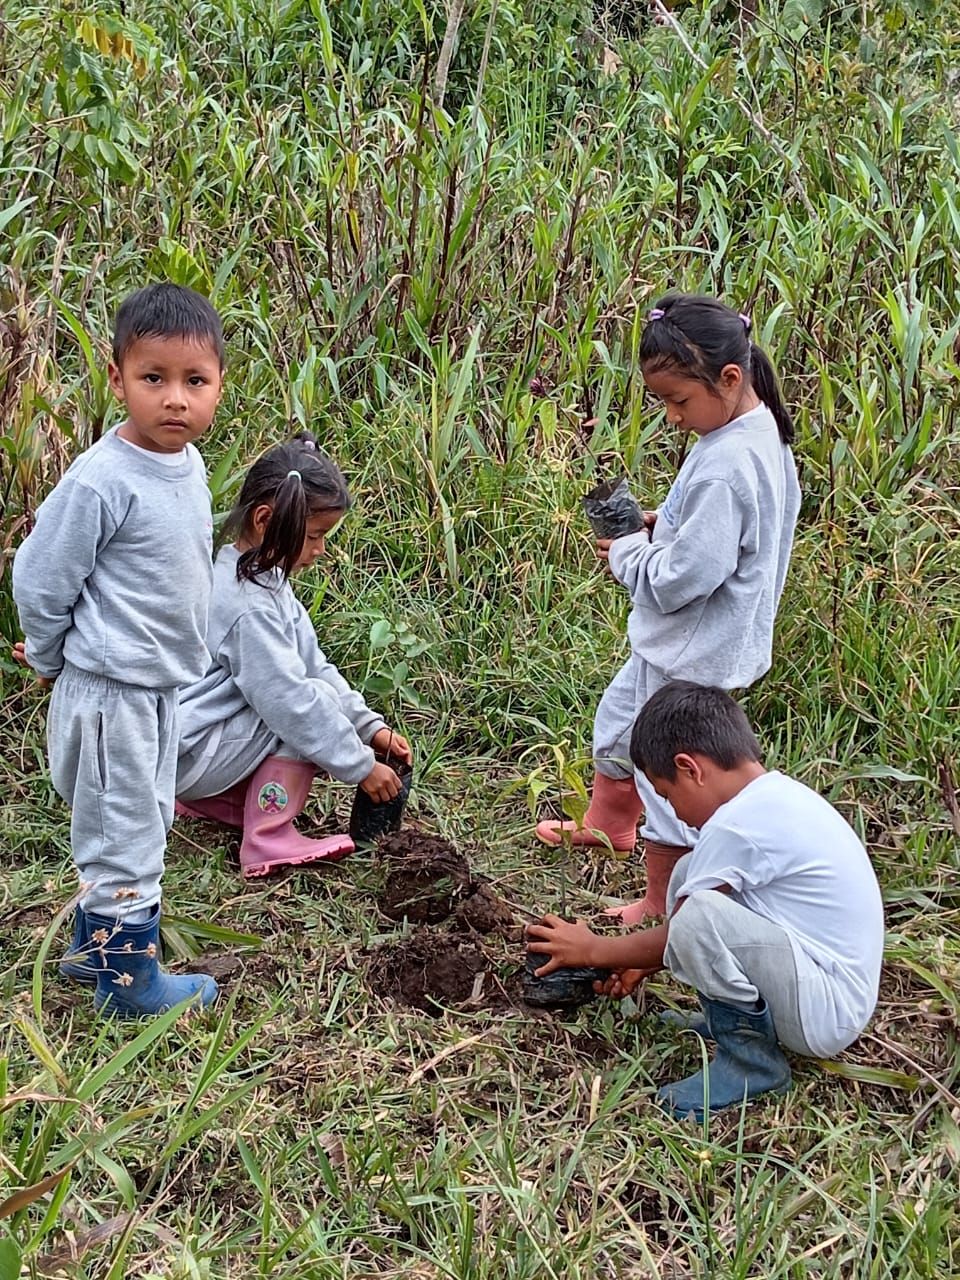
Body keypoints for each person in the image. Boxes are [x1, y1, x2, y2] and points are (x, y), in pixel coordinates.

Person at [536, 293, 801, 925]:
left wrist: (629, 550)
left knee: (667, 779)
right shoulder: (754, 434)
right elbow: (726, 540)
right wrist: (665, 524)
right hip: (696, 645)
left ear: (729, 379)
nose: (672, 417)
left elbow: (678, 580)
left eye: (678, 401)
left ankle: (661, 901)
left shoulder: (726, 465)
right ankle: (607, 824)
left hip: (691, 653)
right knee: (617, 722)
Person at [12, 282, 224, 1018]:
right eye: (153, 379)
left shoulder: (187, 464)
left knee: (138, 820)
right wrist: (48, 652)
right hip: (110, 694)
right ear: (117, 379)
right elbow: (40, 576)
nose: (175, 400)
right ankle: (127, 986)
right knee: (126, 838)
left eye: (194, 381)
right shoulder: (102, 480)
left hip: (155, 687)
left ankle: (87, 950)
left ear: (219, 384)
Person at [527, 683, 884, 1119]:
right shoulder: (774, 800)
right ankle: (736, 1024)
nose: (673, 812)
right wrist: (645, 959)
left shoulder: (737, 826)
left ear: (689, 768)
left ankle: (752, 1063)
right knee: (687, 878)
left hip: (823, 1013)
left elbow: (689, 927)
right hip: (823, 990)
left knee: (697, 914)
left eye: (666, 795)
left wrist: (596, 949)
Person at [174, 434, 412, 877]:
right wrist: (361, 766)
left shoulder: (262, 580)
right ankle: (267, 838)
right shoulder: (247, 607)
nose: (320, 550)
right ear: (266, 520)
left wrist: (370, 728)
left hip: (195, 744)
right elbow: (290, 700)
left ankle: (221, 802)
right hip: (192, 752)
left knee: (316, 698)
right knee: (307, 713)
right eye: (315, 536)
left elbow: (313, 664)